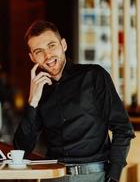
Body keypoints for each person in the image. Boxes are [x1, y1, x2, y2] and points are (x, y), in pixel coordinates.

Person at [13, 20, 135, 182]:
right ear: (32, 58)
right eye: (39, 51)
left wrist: (113, 177)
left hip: (94, 175)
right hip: (54, 176)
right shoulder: (39, 91)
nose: (48, 55)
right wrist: (32, 102)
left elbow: (123, 129)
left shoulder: (94, 75)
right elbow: (21, 148)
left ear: (63, 45)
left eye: (51, 45)